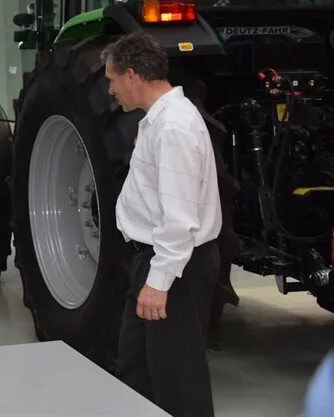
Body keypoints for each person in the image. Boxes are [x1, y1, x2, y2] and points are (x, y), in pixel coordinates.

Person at [102, 31, 222, 417]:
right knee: (137, 373)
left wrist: (158, 282)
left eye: (112, 79)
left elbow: (180, 218)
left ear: (133, 75)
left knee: (178, 381)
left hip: (175, 266)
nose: (110, 89)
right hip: (154, 261)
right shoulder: (157, 121)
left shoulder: (173, 127)